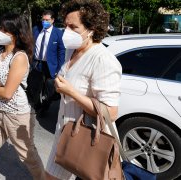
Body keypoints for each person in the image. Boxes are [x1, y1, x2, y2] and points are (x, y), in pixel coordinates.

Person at [45, 0, 122, 179]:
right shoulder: (72, 50)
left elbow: (110, 113)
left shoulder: (103, 60)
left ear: (92, 29)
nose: (67, 32)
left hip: (89, 139)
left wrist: (71, 92)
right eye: (65, 26)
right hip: (64, 131)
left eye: (74, 27)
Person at [0, 13, 45, 180]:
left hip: (16, 116)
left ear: (16, 34)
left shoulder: (19, 57)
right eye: (1, 29)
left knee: (28, 156)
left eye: (6, 30)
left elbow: (7, 92)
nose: (1, 32)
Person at [30, 10, 65, 115]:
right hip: (37, 63)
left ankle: (45, 107)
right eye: (43, 19)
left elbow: (61, 52)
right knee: (34, 87)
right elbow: (30, 45)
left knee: (48, 89)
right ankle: (37, 106)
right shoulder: (36, 30)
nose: (44, 22)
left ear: (53, 20)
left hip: (50, 65)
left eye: (47, 20)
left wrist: (59, 69)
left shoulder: (58, 33)